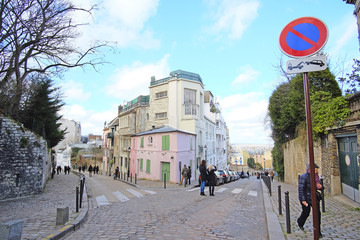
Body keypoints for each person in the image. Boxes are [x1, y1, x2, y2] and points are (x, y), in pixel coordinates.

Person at [297, 163, 323, 238]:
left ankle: (318, 231)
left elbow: (320, 187)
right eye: (314, 170)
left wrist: (320, 187)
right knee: (306, 212)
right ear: (309, 170)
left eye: (316, 170)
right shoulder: (304, 177)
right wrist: (303, 200)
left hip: (315, 198)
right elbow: (301, 189)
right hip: (306, 198)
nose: (316, 171)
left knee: (317, 214)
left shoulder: (316, 177)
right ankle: (300, 222)